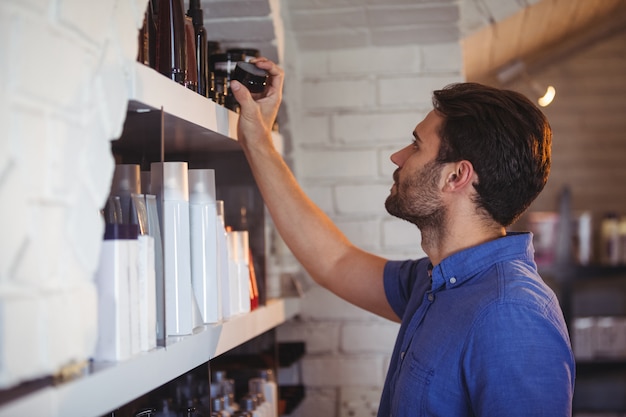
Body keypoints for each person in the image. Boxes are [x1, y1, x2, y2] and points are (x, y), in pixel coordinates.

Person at [230, 58, 575, 416]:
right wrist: (257, 139)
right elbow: (335, 262)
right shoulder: (437, 282)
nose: (397, 157)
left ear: (456, 176)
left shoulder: (512, 315)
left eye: (415, 145)